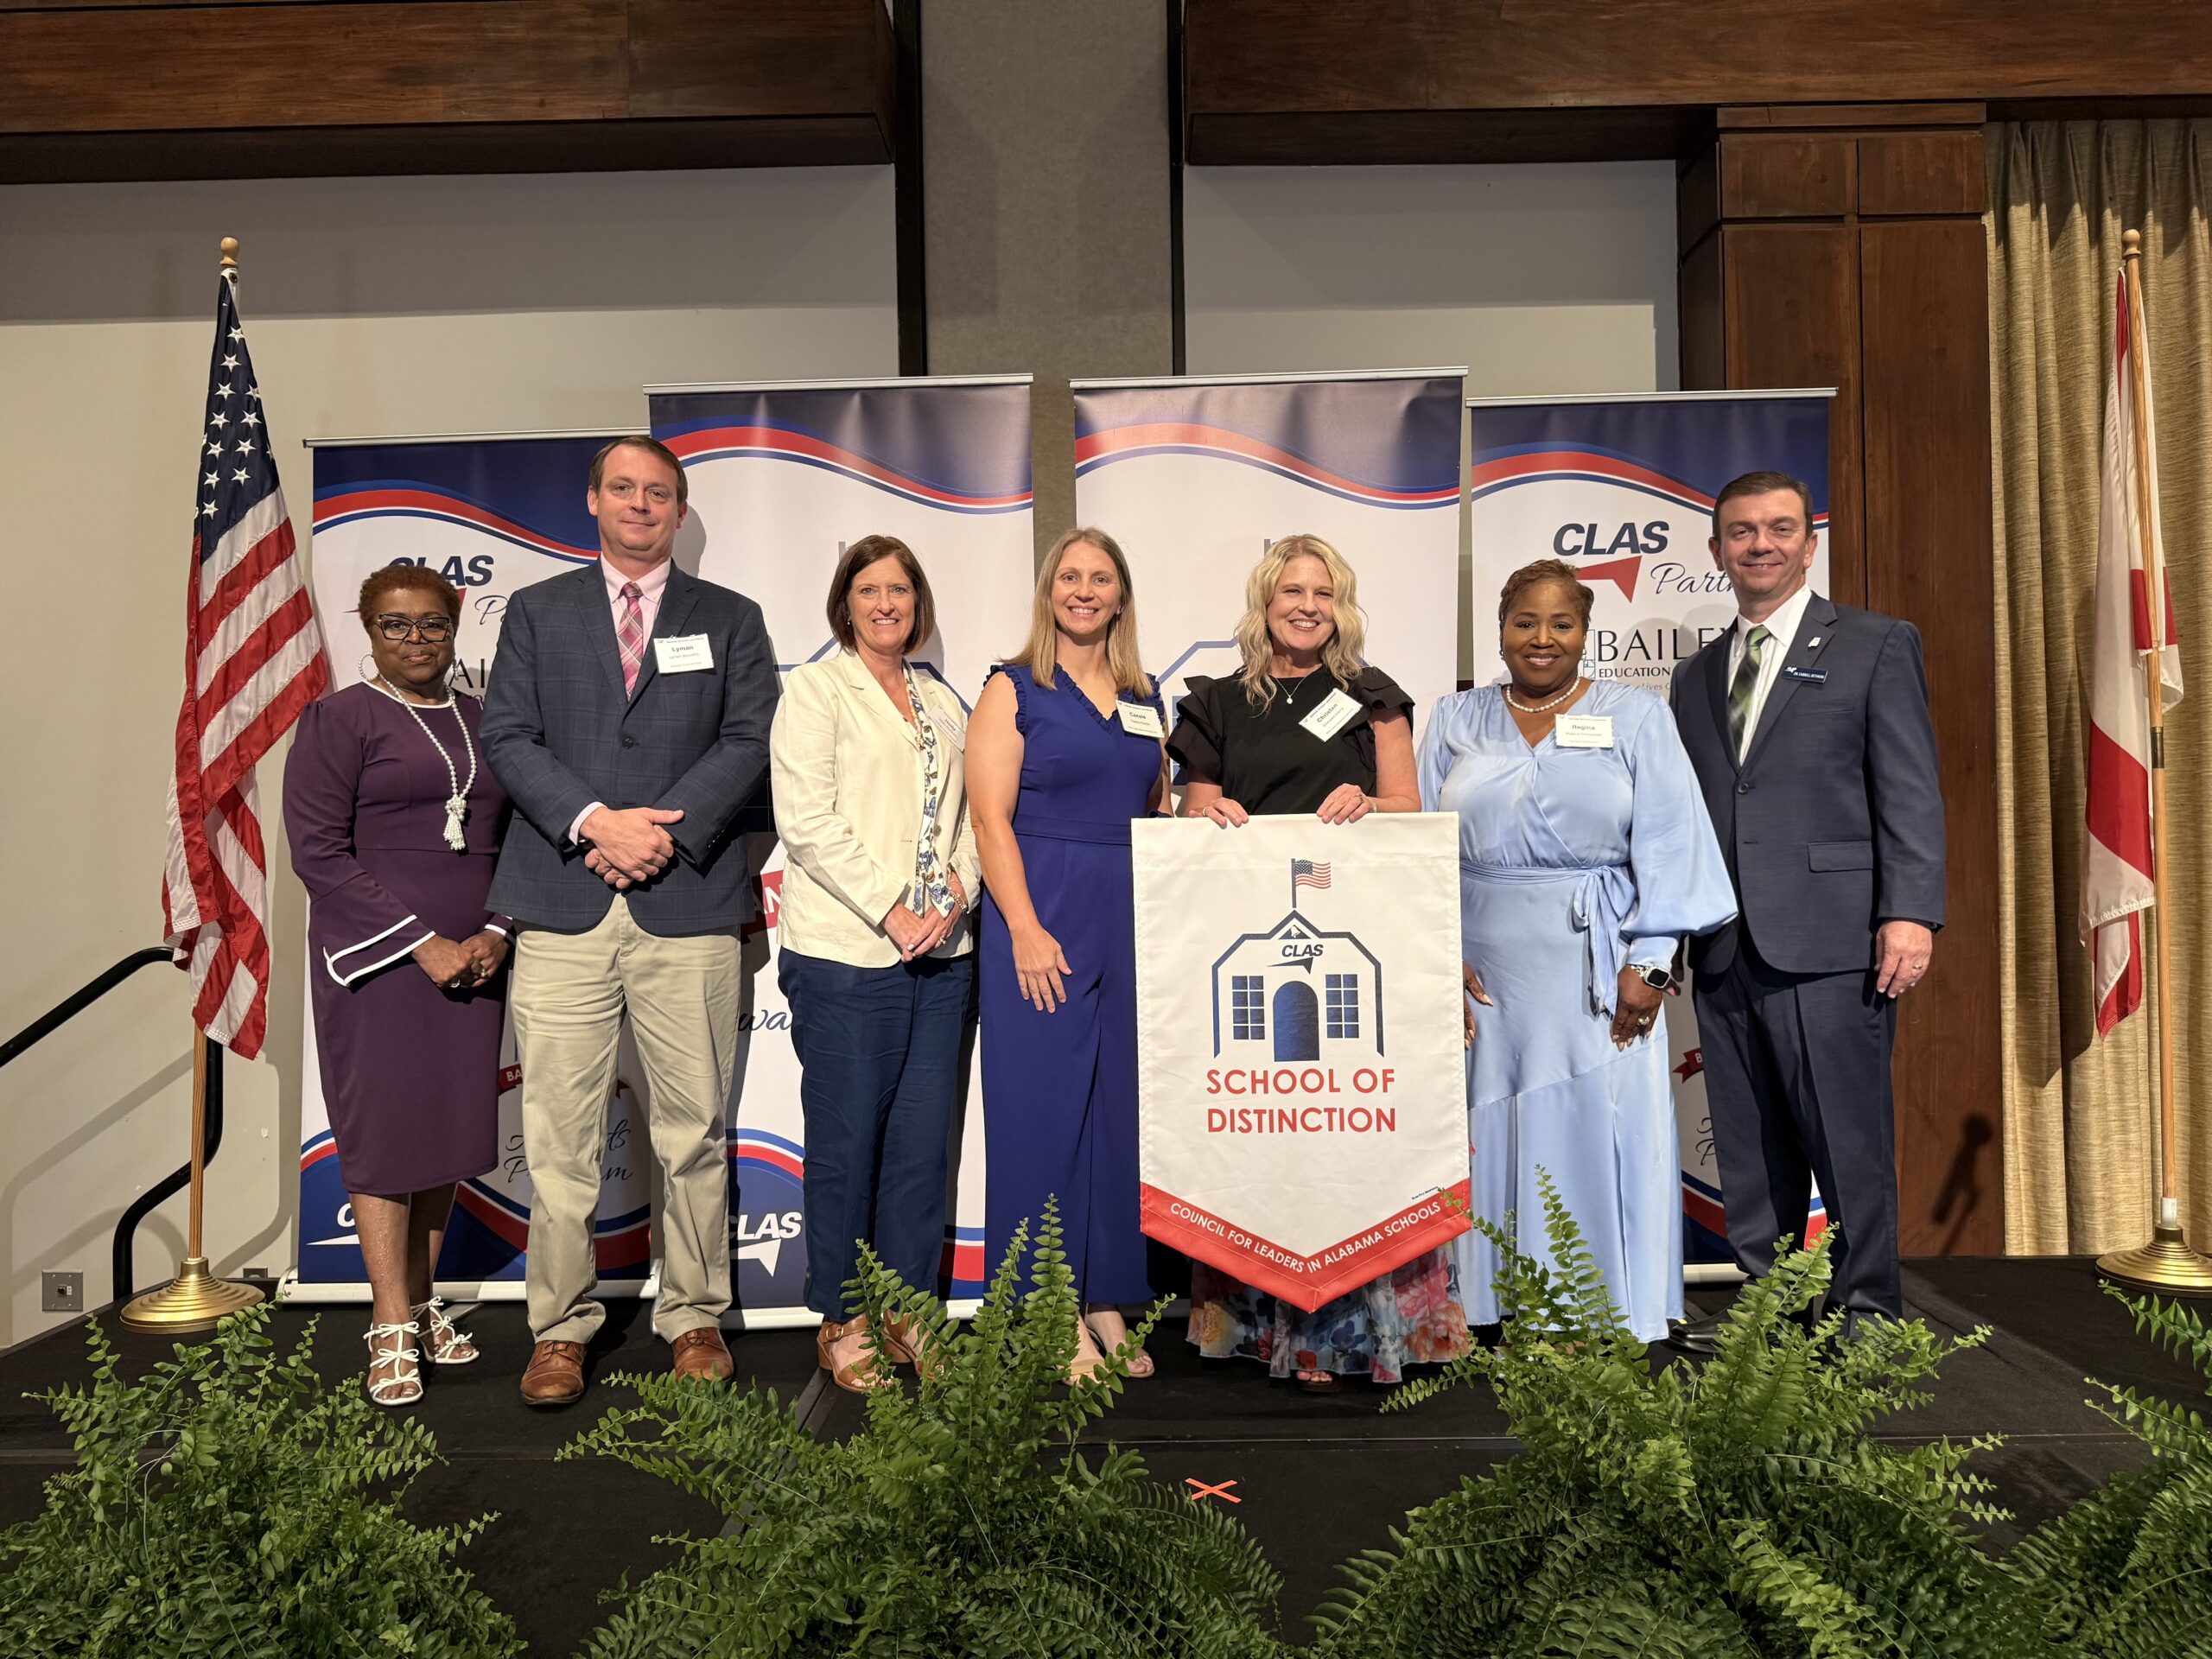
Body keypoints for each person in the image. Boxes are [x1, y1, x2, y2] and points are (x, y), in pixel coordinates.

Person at [480, 435, 779, 1408]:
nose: (642, 506)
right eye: (624, 489)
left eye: (659, 494)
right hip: (564, 907)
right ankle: (560, 1330)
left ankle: (693, 1315)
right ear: (593, 502)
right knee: (560, 1137)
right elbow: (509, 737)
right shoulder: (535, 613)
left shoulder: (730, 620)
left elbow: (749, 741)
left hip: (686, 904)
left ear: (680, 513)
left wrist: (661, 837)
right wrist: (593, 823)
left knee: (691, 1132)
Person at [1171, 534, 1470, 1389]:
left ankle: (1361, 1334)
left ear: (1341, 606)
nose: (1306, 605)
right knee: (1273, 1132)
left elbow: (1406, 812)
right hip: (1251, 953)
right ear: (1263, 600)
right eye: (1290, 590)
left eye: (1323, 592)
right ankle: (1269, 1334)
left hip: (1357, 947)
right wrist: (1210, 808)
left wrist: (1368, 802)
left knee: (1351, 1136)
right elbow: (1193, 809)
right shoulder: (1216, 704)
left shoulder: (1372, 698)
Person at [1420, 559, 1736, 1344]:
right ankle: (1483, 1303)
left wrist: (1652, 961)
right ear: (1500, 628)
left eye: (1561, 623)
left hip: (1600, 965)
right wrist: (1434, 952)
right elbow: (1418, 849)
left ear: (1586, 633)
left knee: (1598, 1118)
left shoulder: (1636, 716)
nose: (1542, 638)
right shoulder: (1454, 718)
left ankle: (1595, 1302)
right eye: (1525, 621)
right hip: (1480, 968)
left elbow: (1672, 842)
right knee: (1478, 1121)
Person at [1669, 472, 1943, 1342]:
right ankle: (1774, 1310)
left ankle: (1867, 1310)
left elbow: (1908, 789)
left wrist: (1910, 911)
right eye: (1742, 532)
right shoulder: (1693, 675)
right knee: (1749, 1148)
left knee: (1846, 1141)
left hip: (1833, 941)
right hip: (1721, 943)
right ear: (1717, 550)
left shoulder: (1873, 644)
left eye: (1779, 529)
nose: (1760, 545)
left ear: (1808, 542)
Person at [284, 567, 512, 1407]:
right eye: (395, 625)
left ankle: (421, 1305)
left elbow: (512, 842)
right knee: (387, 1135)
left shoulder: (486, 724)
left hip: (475, 961)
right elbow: (317, 854)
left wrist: (495, 933)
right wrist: (423, 944)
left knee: (445, 1135)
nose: (415, 640)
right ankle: (387, 1327)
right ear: (368, 630)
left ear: (455, 627)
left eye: (431, 625)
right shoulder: (337, 720)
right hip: (379, 964)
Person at [770, 535, 980, 1393]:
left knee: (921, 1149)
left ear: (918, 603)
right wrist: (893, 909)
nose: (886, 603)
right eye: (869, 590)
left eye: (900, 589)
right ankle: (842, 1316)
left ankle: (907, 1311)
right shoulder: (816, 690)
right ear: (844, 604)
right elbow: (807, 820)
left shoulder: (941, 699)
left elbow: (973, 812)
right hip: (849, 955)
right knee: (847, 1142)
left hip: (944, 956)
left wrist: (957, 896)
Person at [968, 526, 1168, 1382]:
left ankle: (1106, 1296)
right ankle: (1045, 1308)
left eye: (1100, 578)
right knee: (1040, 1116)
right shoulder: (1010, 688)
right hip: (1041, 911)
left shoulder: (1143, 693)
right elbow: (988, 820)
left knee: (1118, 1114)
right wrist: (1021, 925)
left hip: (1128, 916)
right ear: (1048, 591)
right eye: (1068, 577)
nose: (1082, 590)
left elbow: (1156, 805)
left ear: (1121, 596)